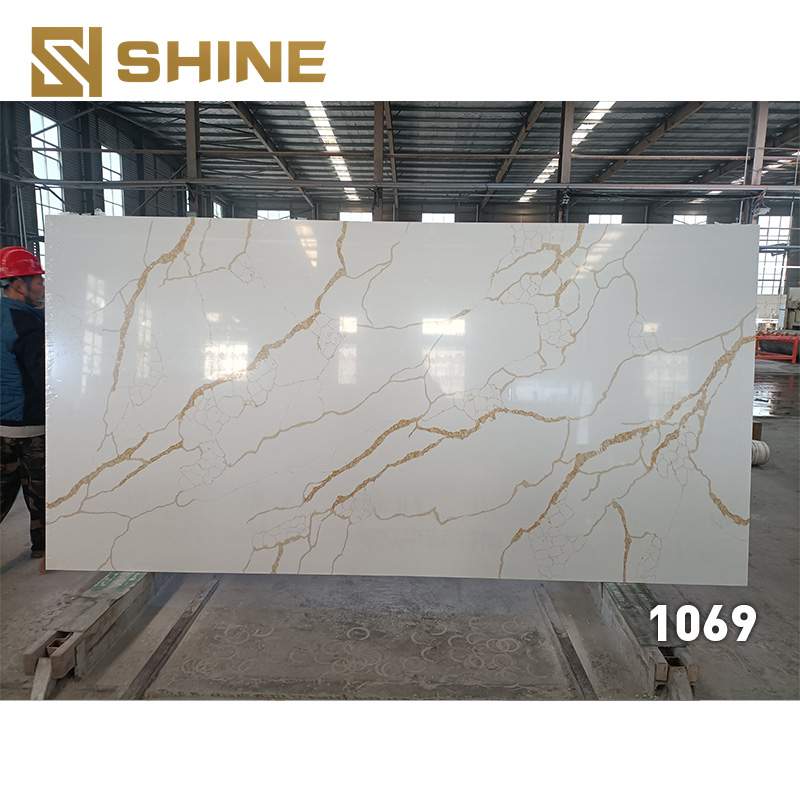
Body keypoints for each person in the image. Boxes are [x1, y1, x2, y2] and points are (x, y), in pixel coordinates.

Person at [0, 246, 46, 558]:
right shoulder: (26, 324)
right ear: (19, 284)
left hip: (2, 426)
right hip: (29, 428)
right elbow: (44, 378)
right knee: (42, 496)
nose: (43, 288)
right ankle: (46, 551)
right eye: (39, 281)